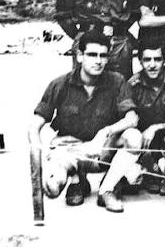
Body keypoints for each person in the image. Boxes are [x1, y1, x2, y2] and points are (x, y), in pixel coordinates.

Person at [29, 31, 141, 213]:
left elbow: (132, 118)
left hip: (103, 149)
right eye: (92, 55)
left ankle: (107, 189)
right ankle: (77, 181)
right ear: (80, 56)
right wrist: (36, 146)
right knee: (52, 187)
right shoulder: (59, 84)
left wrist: (105, 132)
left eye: (103, 56)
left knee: (134, 137)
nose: (98, 61)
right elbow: (36, 123)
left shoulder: (117, 81)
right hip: (72, 151)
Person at [128, 43, 165, 195]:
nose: (153, 65)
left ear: (164, 60)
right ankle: (151, 171)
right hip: (146, 139)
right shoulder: (133, 84)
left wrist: (156, 127)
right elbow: (129, 118)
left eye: (157, 59)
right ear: (140, 61)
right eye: (147, 60)